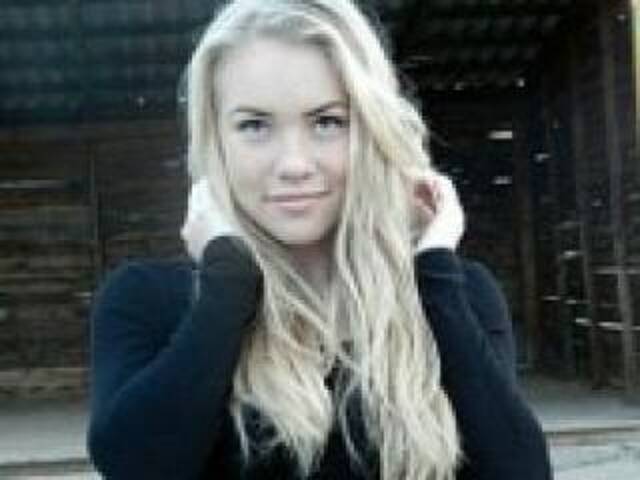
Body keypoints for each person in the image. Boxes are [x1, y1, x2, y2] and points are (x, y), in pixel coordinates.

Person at [86, 0, 551, 479]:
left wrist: (433, 270)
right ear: (215, 139)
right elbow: (135, 467)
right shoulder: (149, 301)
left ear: (372, 129)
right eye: (254, 125)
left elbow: (520, 471)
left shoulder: (456, 294)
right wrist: (227, 285)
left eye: (327, 122)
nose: (294, 164)